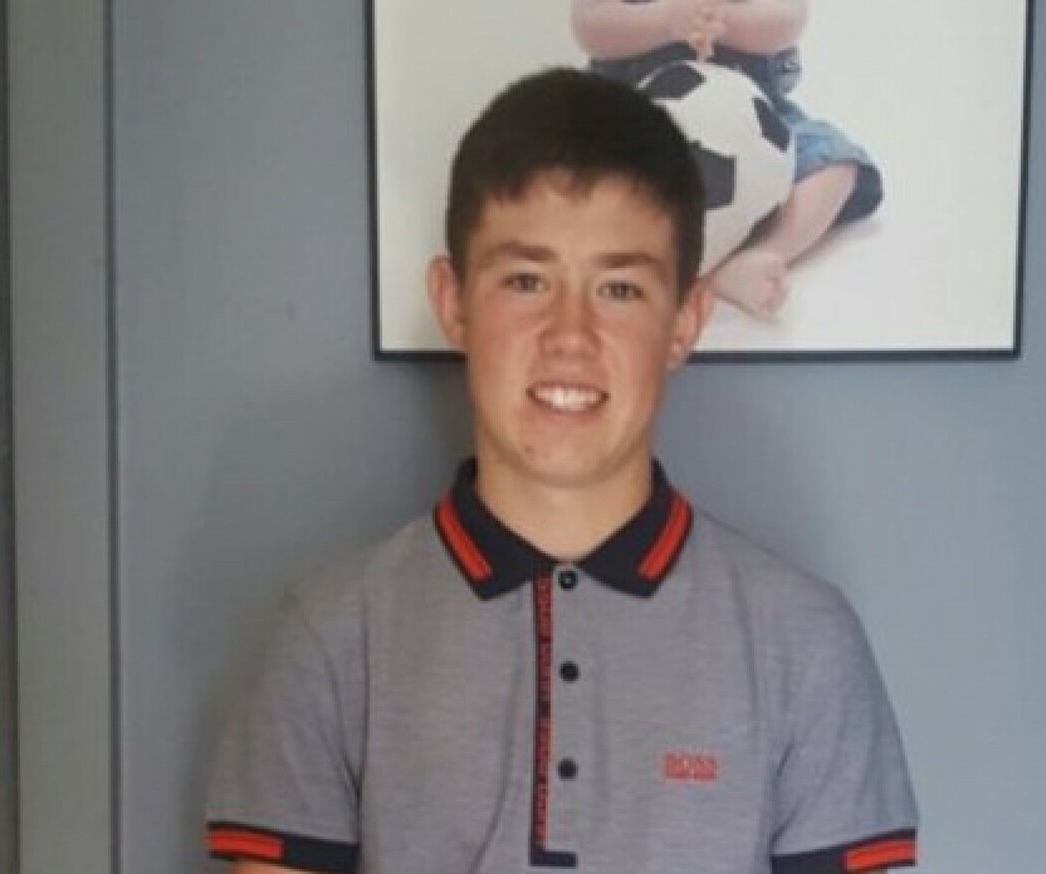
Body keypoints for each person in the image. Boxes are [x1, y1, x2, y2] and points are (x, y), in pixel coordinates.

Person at [204, 68, 916, 874]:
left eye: (619, 288)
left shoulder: (804, 644)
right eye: (526, 281)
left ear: (685, 321)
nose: (569, 335)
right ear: (452, 302)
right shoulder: (328, 642)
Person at [572, 0, 883, 321]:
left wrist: (729, 23)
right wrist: (665, 22)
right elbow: (590, 25)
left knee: (835, 162)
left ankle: (763, 252)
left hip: (752, 123)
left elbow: (788, 18)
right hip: (636, 114)